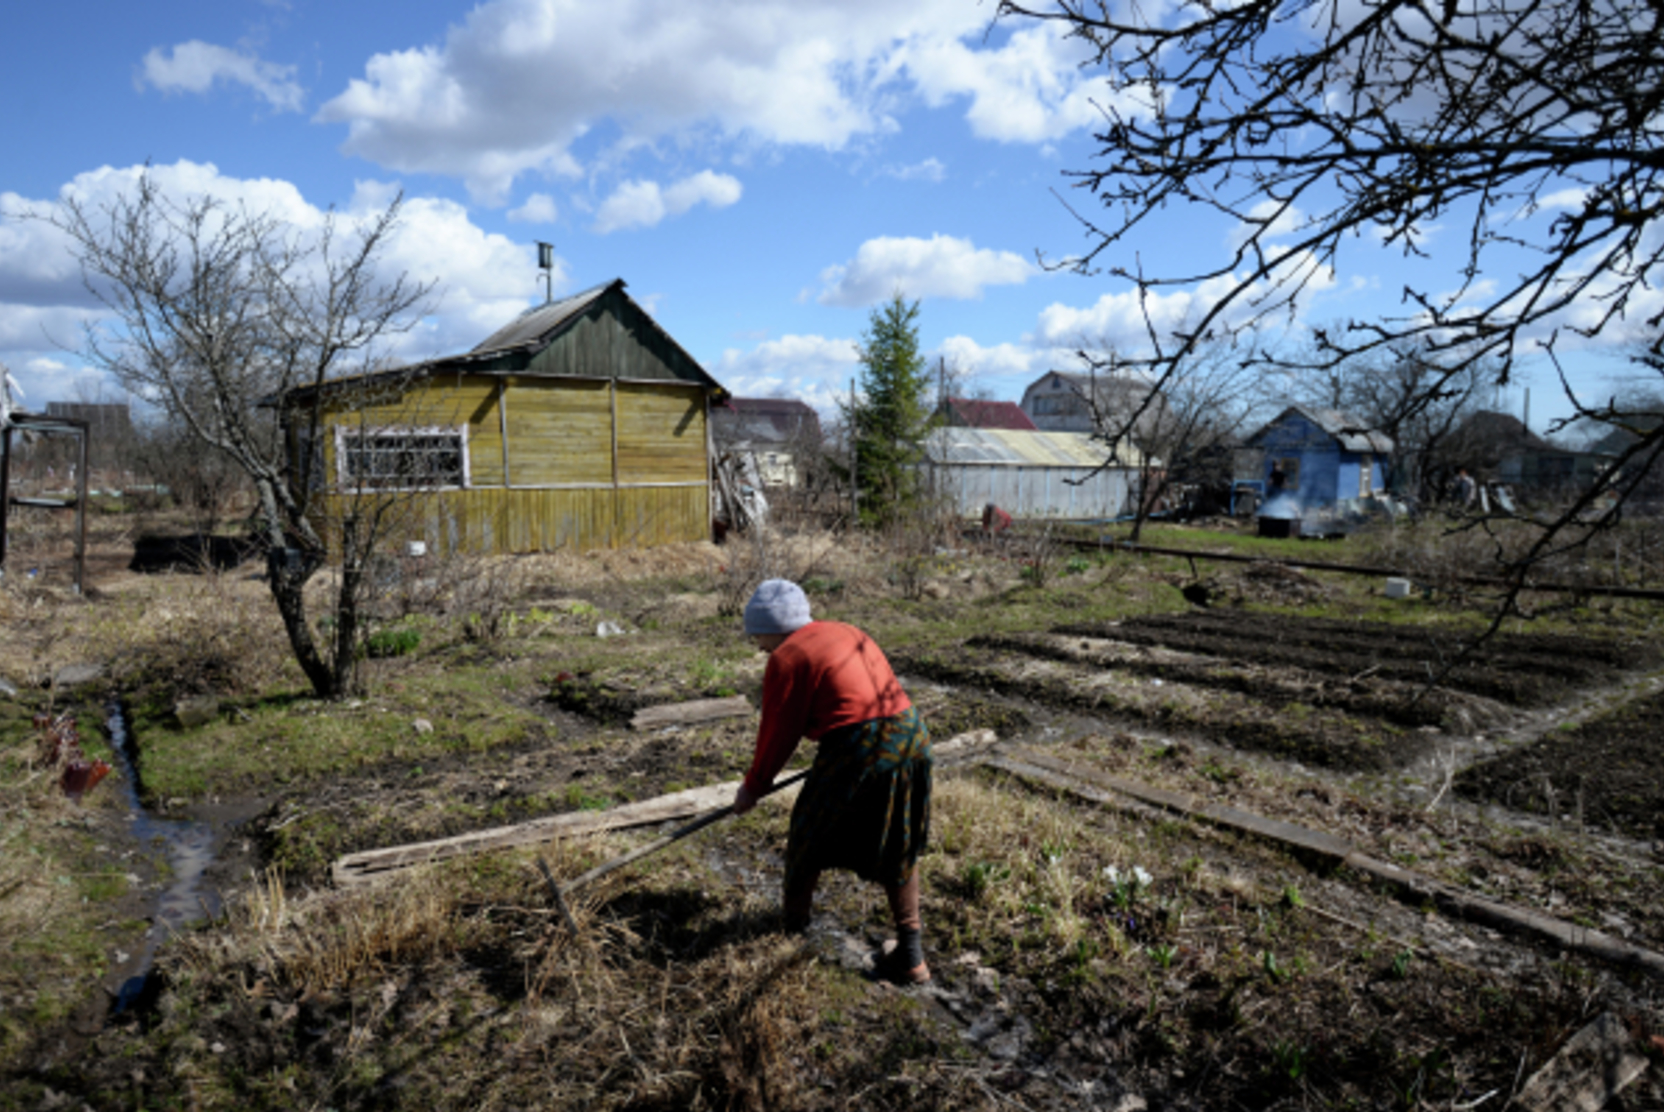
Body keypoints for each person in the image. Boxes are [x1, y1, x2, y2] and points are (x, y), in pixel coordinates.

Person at [732, 579, 934, 984]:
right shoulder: (846, 631)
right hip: (911, 736)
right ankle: (911, 956)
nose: (759, 647)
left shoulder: (787, 656)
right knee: (900, 840)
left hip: (860, 747)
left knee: (808, 832)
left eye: (758, 637)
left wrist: (753, 787)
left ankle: (791, 932)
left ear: (771, 628)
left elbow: (778, 734)